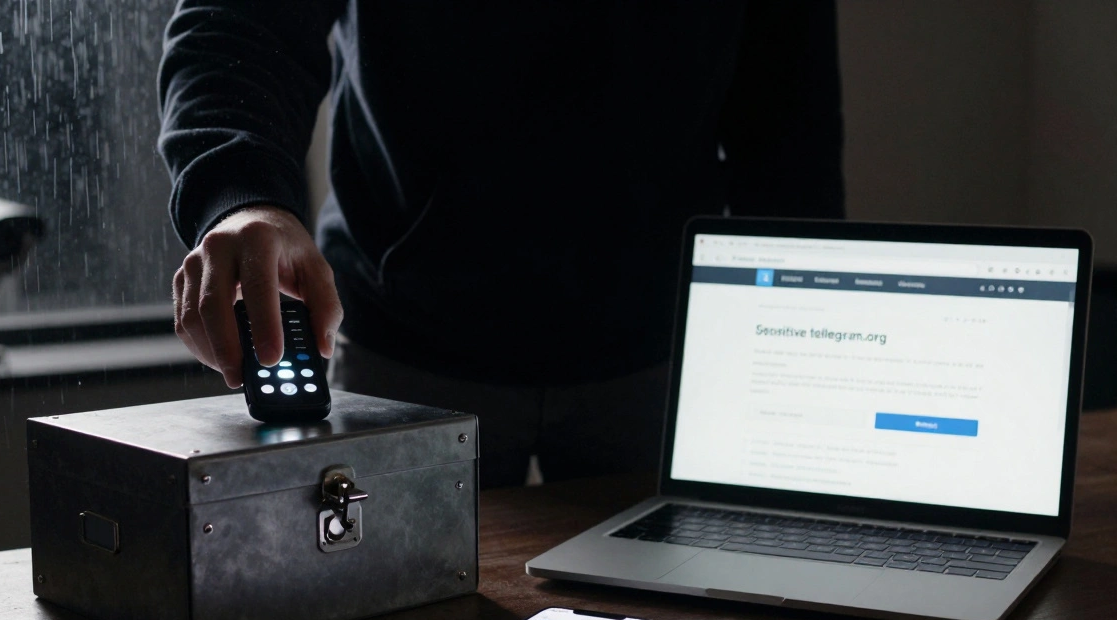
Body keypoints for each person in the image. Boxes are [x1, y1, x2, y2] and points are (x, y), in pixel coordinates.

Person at [158, 1, 844, 488]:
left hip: (660, 350)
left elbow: (790, 112)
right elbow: (240, 24)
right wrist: (241, 195)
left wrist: (798, 345)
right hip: (409, 340)